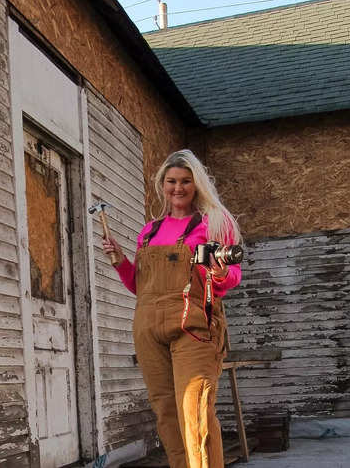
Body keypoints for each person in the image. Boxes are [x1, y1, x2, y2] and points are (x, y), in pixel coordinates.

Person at [102, 149, 242, 468]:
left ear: (197, 185)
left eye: (185, 181)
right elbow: (140, 286)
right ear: (162, 185)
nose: (178, 188)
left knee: (194, 413)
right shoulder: (149, 232)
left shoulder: (212, 224)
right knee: (166, 413)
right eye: (171, 181)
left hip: (193, 327)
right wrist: (122, 261)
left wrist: (220, 273)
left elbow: (233, 275)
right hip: (149, 328)